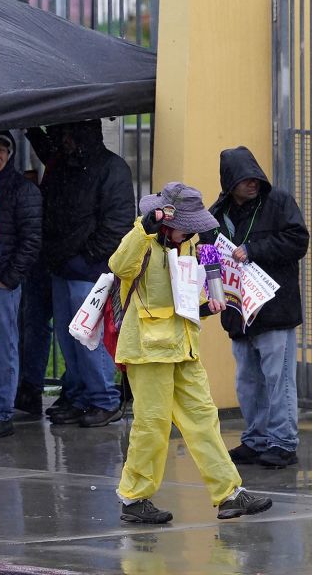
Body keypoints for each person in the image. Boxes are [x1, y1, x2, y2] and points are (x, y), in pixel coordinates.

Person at [112, 183, 273, 524]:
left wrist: (209, 304)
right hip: (148, 351)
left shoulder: (191, 246)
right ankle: (134, 498)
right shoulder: (142, 241)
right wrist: (143, 229)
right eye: (189, 223)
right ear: (166, 218)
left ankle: (229, 494)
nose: (195, 230)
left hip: (183, 348)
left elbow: (186, 296)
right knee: (151, 426)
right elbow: (119, 265)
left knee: (204, 421)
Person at [205, 146, 309, 470]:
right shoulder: (216, 212)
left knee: (279, 379)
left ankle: (283, 442)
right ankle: (256, 438)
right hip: (238, 311)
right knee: (248, 380)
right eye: (244, 179)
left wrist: (253, 249)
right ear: (230, 182)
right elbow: (208, 252)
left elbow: (298, 241)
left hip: (274, 309)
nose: (252, 183)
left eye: (255, 177)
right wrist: (211, 286)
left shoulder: (278, 202)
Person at [28, 120, 132, 427]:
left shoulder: (104, 169)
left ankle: (101, 398)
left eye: (68, 136)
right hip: (71, 264)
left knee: (87, 338)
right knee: (72, 338)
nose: (65, 142)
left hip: (88, 269)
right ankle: (84, 395)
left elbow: (117, 224)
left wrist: (86, 258)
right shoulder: (74, 163)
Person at [0, 132, 42, 438]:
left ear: (11, 154)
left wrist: (10, 278)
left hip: (2, 283)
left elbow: (31, 240)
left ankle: (1, 413)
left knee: (5, 350)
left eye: (2, 150)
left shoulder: (23, 190)